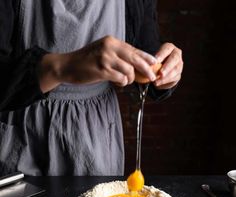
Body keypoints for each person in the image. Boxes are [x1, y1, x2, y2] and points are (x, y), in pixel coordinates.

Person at [0, 0, 183, 176]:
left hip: (97, 137)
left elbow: (146, 59)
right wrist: (61, 67)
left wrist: (165, 69)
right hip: (20, 131)